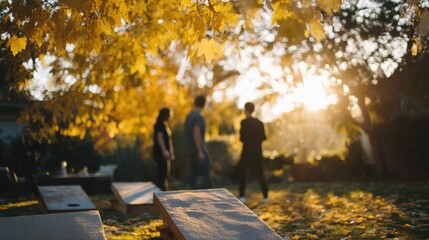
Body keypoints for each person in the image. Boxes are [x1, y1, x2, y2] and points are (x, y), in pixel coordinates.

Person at [237, 102, 269, 203]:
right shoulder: (260, 123)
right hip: (257, 151)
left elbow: (242, 138)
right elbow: (264, 137)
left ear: (245, 110)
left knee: (242, 173)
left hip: (246, 151)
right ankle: (265, 197)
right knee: (261, 174)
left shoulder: (243, 122)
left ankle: (242, 196)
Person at [184, 95, 212, 189]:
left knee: (193, 173)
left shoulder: (189, 116)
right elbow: (196, 131)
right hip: (197, 149)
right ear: (204, 104)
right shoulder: (199, 117)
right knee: (206, 169)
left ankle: (192, 196)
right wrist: (200, 150)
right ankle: (207, 193)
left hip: (189, 149)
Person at [12, 126, 44, 194]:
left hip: (32, 163)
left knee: (32, 178)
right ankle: (32, 193)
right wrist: (25, 153)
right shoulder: (20, 142)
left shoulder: (32, 141)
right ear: (24, 133)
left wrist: (38, 154)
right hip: (23, 164)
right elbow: (15, 152)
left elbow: (41, 148)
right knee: (29, 178)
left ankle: (34, 193)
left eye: (29, 132)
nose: (28, 133)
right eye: (26, 132)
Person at [153, 108, 175, 191]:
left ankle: (163, 191)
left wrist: (171, 153)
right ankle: (161, 193)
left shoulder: (164, 124)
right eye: (169, 114)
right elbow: (159, 137)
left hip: (164, 154)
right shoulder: (160, 124)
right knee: (162, 175)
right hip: (160, 154)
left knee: (165, 175)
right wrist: (164, 151)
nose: (170, 116)